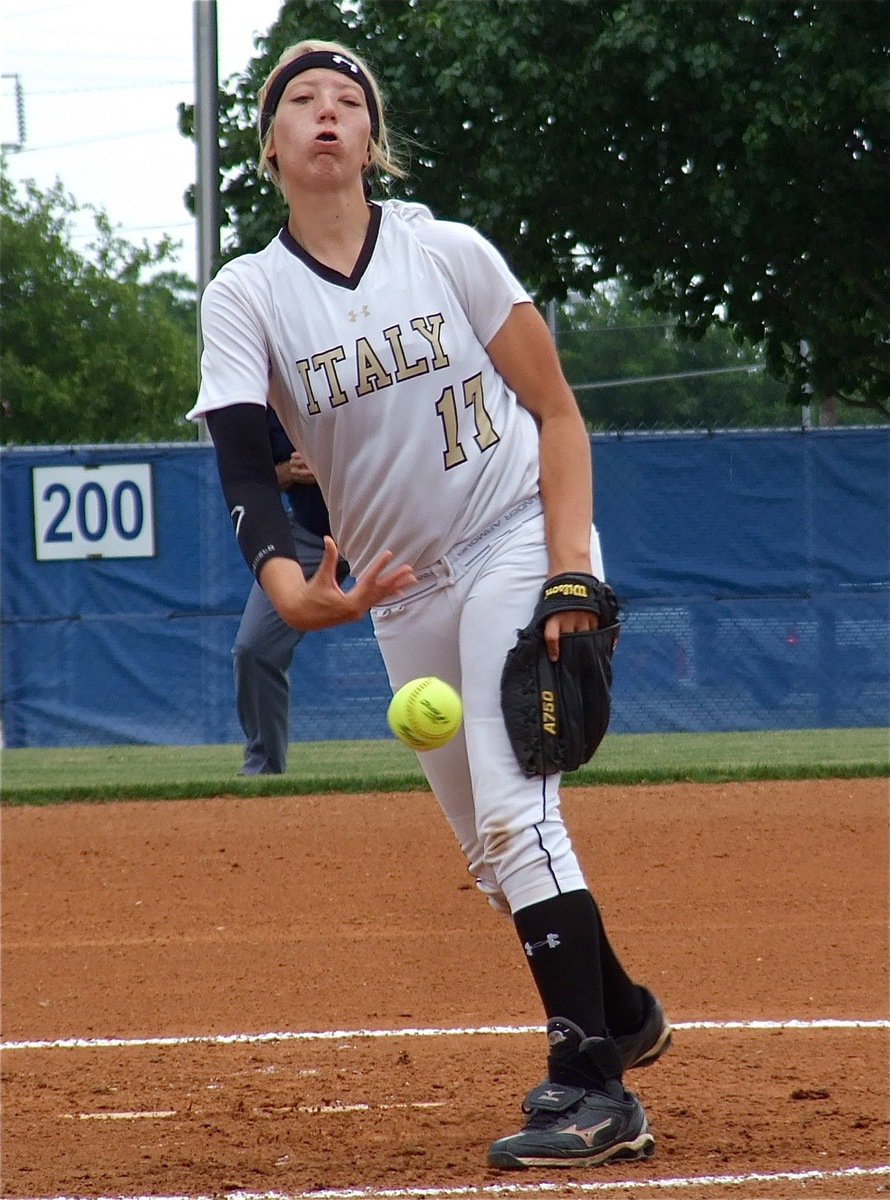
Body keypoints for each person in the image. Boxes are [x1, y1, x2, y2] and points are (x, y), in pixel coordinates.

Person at [188, 39, 671, 1169]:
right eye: (298, 99)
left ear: (370, 139)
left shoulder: (445, 251)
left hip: (512, 540)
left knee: (518, 812)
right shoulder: (246, 292)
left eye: (345, 100)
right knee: (495, 853)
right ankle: (625, 1012)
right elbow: (245, 466)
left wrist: (568, 571)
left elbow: (555, 413)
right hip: (401, 590)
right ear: (269, 146)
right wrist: (290, 592)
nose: (323, 112)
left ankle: (593, 1089)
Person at [233, 405, 348, 775]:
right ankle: (263, 773)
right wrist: (289, 472)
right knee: (255, 647)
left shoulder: (341, 363)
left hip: (392, 523)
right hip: (313, 533)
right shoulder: (257, 399)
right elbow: (247, 477)